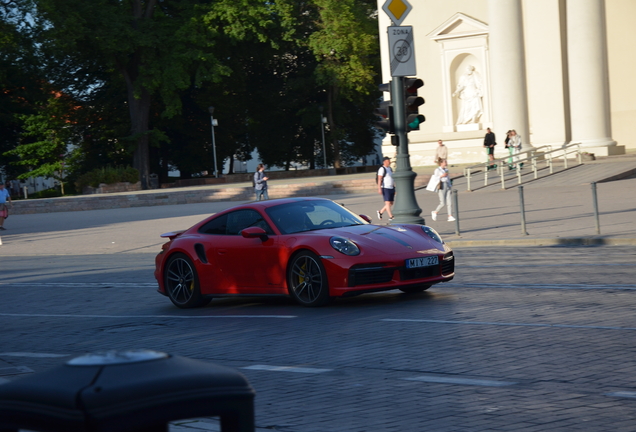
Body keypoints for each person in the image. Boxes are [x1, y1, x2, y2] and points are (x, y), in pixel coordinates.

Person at [376, 156, 395, 221]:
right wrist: (379, 188)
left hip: (391, 187)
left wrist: (394, 187)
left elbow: (392, 178)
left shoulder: (390, 168)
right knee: (387, 203)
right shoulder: (382, 169)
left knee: (391, 203)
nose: (389, 162)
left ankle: (380, 212)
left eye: (389, 160)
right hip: (385, 187)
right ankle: (391, 217)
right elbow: (379, 179)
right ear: (384, 162)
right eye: (388, 160)